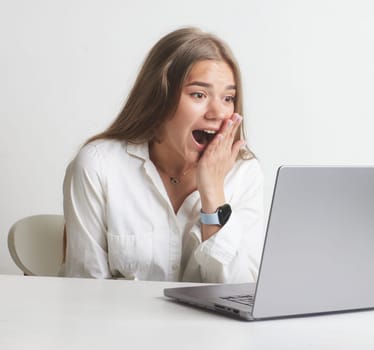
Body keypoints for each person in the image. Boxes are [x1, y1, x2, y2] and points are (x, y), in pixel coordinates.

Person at [62, 27, 264, 283]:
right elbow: (86, 290)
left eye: (228, 98)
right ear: (159, 98)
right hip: (120, 323)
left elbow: (239, 291)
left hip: (209, 325)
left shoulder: (245, 173)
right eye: (199, 95)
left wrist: (213, 193)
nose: (218, 112)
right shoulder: (98, 166)